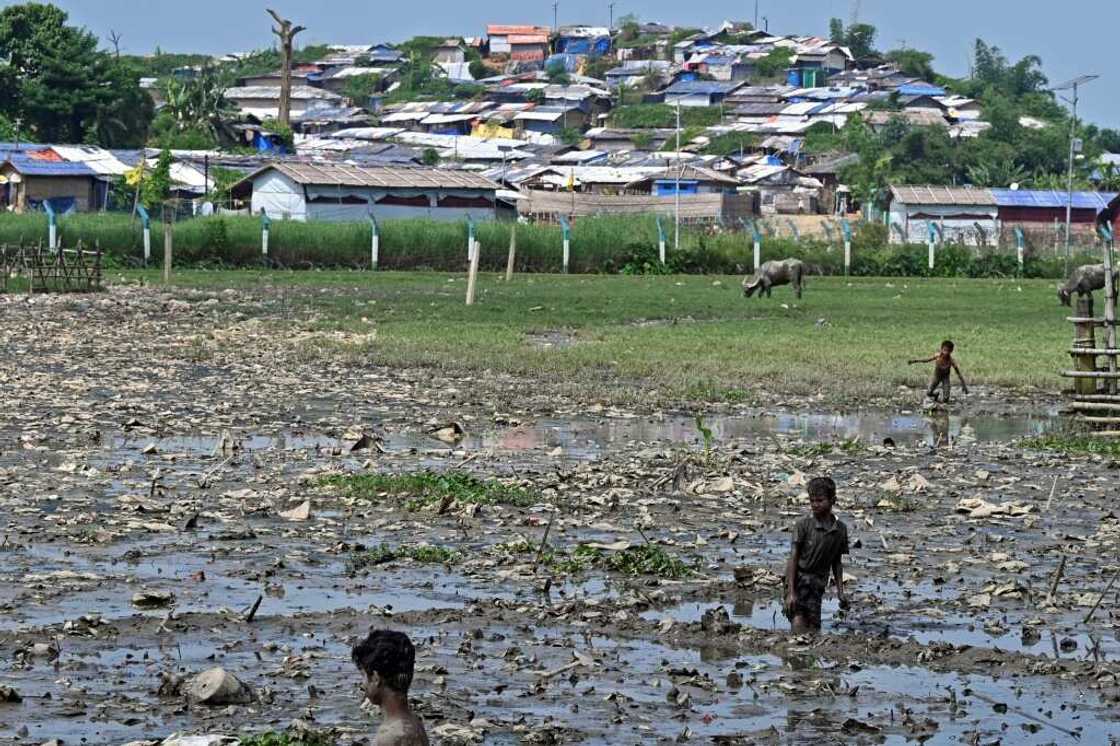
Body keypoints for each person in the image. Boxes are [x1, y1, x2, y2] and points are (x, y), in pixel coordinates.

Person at [784, 476, 850, 634]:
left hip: (818, 583)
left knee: (814, 627)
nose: (815, 505)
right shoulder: (803, 526)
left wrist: (840, 592)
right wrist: (791, 593)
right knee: (798, 623)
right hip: (798, 579)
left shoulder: (840, 530)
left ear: (833, 500)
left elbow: (837, 562)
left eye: (820, 500)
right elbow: (793, 558)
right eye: (812, 500)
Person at [351, 629, 430, 746]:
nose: (363, 684)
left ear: (376, 678)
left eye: (363, 675)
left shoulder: (389, 738)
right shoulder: (415, 723)